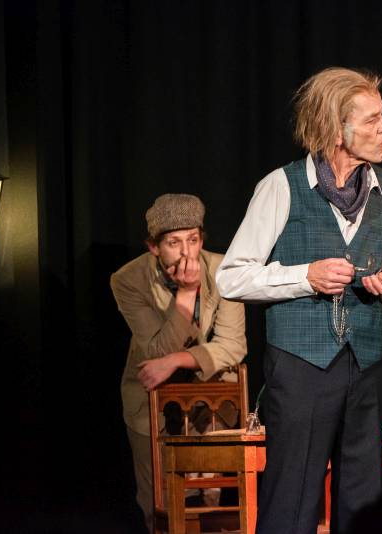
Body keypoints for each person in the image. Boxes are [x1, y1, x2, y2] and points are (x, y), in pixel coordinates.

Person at [216, 66, 382, 534]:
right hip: (301, 366)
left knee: (363, 499)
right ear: (336, 128)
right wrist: (305, 276)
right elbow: (232, 277)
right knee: (292, 496)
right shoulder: (281, 186)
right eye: (372, 119)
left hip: (365, 365)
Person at [110, 193, 247, 532]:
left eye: (193, 239)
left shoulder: (224, 270)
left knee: (211, 498)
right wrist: (186, 294)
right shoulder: (128, 280)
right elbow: (156, 349)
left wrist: (175, 361)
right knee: (158, 500)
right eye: (174, 242)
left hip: (212, 396)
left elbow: (233, 346)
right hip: (152, 402)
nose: (187, 252)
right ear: (154, 247)